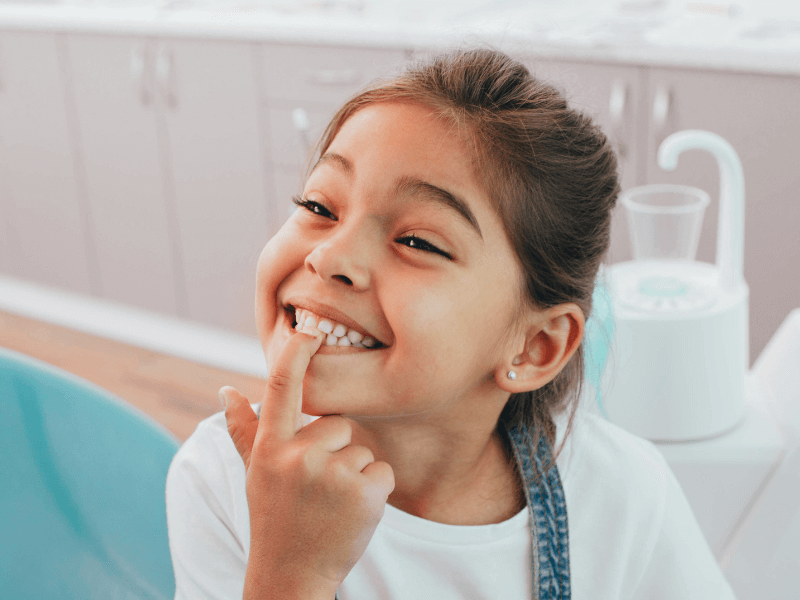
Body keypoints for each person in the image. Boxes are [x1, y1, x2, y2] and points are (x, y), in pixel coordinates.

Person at [165, 48, 738, 599]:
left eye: (416, 241)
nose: (329, 257)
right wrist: (289, 576)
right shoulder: (221, 480)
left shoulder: (627, 498)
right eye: (320, 206)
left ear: (536, 347)